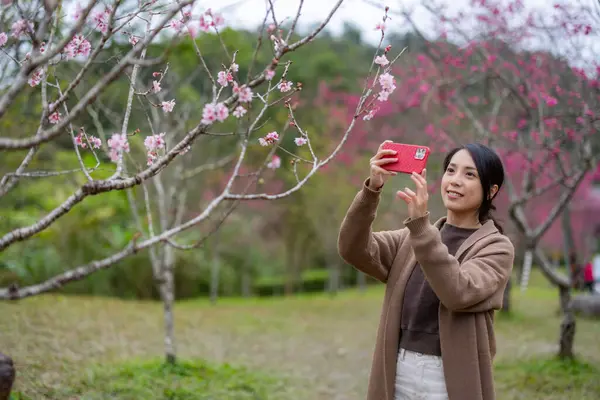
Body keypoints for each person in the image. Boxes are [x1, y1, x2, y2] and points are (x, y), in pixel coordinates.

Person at [338, 141, 514, 400]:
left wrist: (421, 226)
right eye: (451, 171)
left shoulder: (496, 247)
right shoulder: (410, 239)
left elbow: (457, 292)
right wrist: (372, 190)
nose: (455, 181)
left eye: (469, 174)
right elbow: (352, 248)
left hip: (449, 377)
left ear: (491, 191)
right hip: (398, 368)